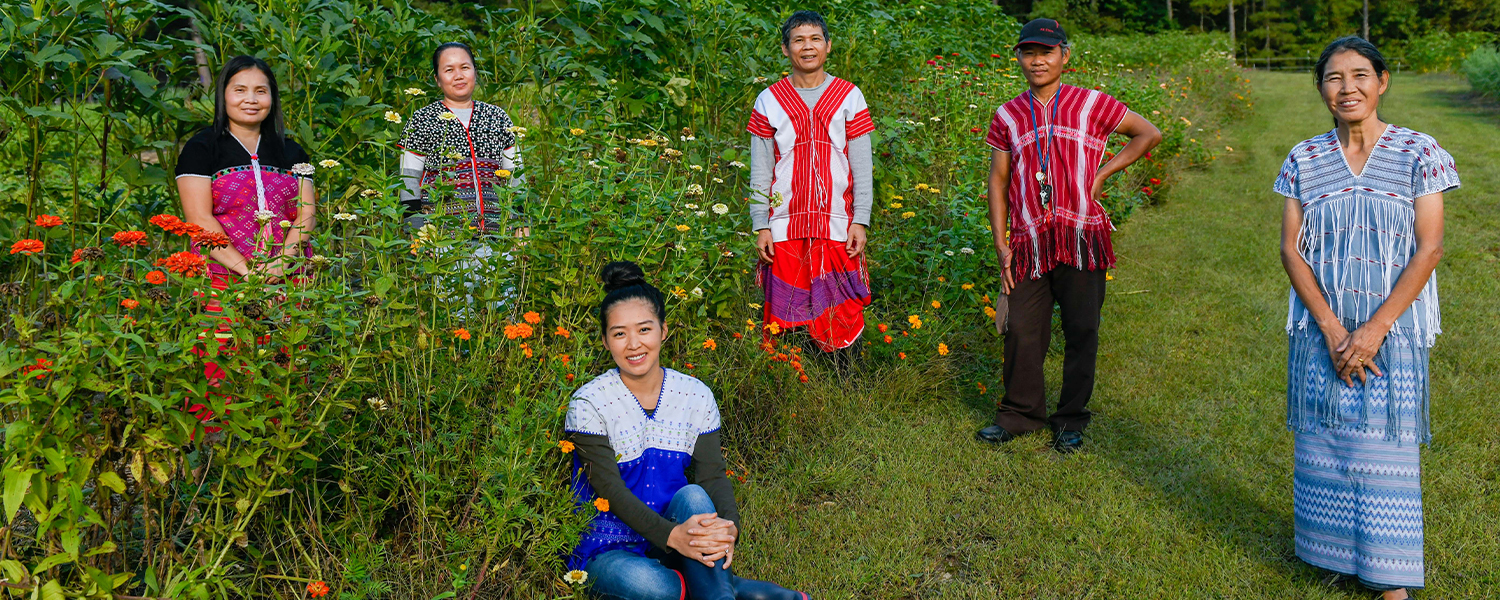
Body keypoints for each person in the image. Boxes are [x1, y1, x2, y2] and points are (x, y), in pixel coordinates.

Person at [1275, 37, 1454, 600]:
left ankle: (1390, 579)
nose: (1346, 87)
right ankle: (1328, 551)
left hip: (1393, 327)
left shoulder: (1418, 152)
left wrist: (1374, 329)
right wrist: (1331, 327)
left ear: (1382, 82)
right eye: (1333, 77)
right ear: (1321, 88)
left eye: (1359, 75)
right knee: (1325, 439)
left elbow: (1429, 248)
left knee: (1384, 452)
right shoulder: (1304, 157)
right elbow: (1290, 249)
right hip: (1319, 326)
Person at [566, 261, 807, 600]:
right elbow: (611, 492)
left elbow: (712, 477)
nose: (633, 344)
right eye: (620, 333)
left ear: (664, 330)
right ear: (605, 341)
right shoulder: (589, 402)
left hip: (678, 531)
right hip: (608, 546)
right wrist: (673, 537)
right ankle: (750, 593)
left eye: (644, 330)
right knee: (653, 587)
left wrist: (728, 530)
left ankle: (713, 591)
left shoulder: (694, 394)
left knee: (694, 496)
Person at [974, 19, 1161, 453]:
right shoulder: (1008, 114)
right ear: (1018, 58)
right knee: (1022, 328)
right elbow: (998, 181)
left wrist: (1103, 173)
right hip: (1029, 240)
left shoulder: (1092, 103)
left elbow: (1147, 134)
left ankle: (1070, 418)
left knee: (1082, 329)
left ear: (1065, 56)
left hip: (1081, 234)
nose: (1037, 60)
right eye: (1028, 53)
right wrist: (1001, 242)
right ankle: (1020, 414)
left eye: (1047, 52)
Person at [175, 55, 317, 433]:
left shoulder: (292, 152)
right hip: (222, 276)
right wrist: (249, 270)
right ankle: (215, 460)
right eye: (240, 90)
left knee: (283, 364)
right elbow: (199, 220)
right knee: (220, 362)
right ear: (224, 96)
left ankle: (280, 456)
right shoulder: (202, 148)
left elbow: (306, 216)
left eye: (261, 91)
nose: (251, 99)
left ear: (273, 98)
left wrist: (276, 267)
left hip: (286, 279)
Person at [747, 10, 875, 360]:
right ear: (786, 49)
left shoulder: (849, 96)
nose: (808, 47)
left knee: (841, 305)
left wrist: (860, 219)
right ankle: (792, 381)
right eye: (799, 40)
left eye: (815, 39)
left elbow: (862, 166)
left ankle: (843, 380)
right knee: (789, 306)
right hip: (785, 223)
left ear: (828, 46)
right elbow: (761, 171)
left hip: (837, 221)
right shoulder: (769, 101)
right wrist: (761, 225)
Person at [398, 41, 524, 232]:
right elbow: (408, 180)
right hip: (440, 238)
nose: (458, 76)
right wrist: (416, 231)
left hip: (498, 240)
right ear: (437, 79)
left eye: (465, 67)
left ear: (475, 72)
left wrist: (520, 225)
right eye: (449, 70)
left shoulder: (497, 118)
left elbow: (516, 177)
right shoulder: (422, 120)